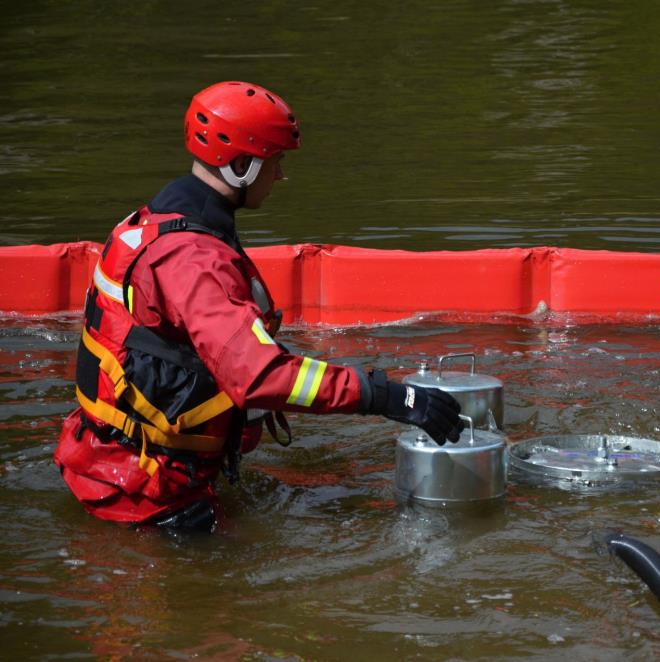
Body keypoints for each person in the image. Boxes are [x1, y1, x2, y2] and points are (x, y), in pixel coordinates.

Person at [54, 81, 464, 532]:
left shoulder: (159, 222)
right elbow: (259, 376)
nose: (281, 177)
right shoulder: (193, 261)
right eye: (276, 163)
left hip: (120, 464)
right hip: (145, 494)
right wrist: (387, 395)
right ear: (242, 168)